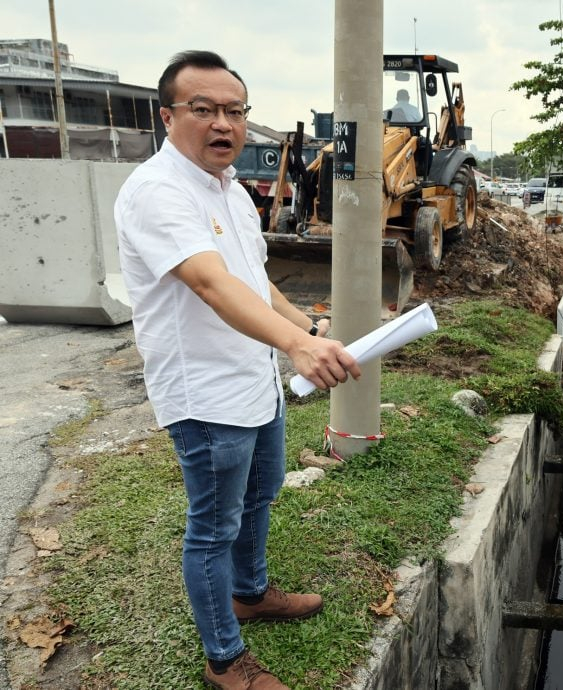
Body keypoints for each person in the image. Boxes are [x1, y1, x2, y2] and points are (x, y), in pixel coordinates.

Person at [115, 50, 361, 689]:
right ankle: (225, 660)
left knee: (261, 495)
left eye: (234, 111)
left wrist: (303, 328)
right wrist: (297, 347)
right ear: (168, 116)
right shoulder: (156, 193)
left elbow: (254, 282)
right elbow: (211, 285)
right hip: (205, 395)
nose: (222, 123)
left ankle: (250, 593)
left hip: (254, 384)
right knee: (213, 527)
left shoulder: (232, 193)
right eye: (203, 110)